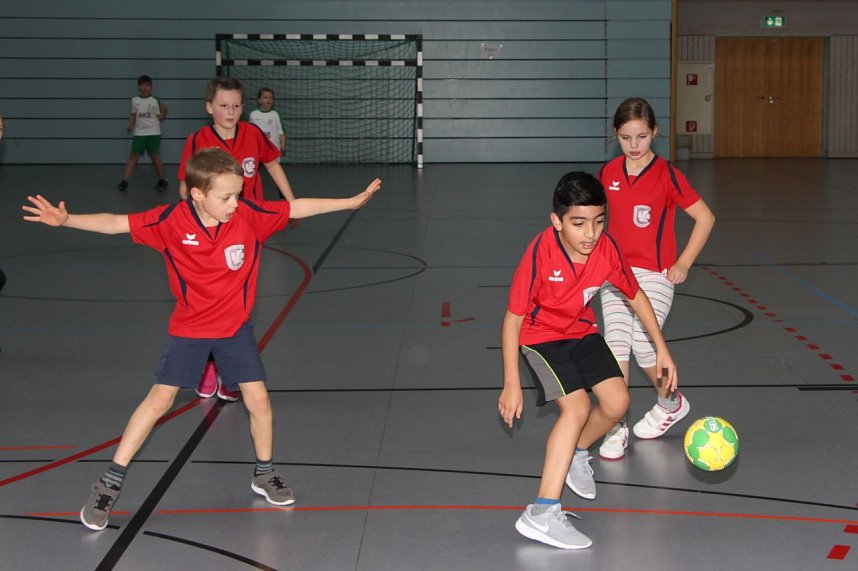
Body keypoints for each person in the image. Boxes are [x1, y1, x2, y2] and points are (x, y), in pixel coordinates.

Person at [21, 147, 381, 531]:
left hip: (234, 329)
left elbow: (294, 208)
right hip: (189, 329)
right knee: (159, 400)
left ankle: (264, 472)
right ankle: (109, 482)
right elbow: (115, 223)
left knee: (258, 399)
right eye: (226, 196)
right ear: (197, 194)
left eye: (238, 194)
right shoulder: (170, 221)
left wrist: (350, 202)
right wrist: (67, 219)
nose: (234, 203)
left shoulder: (247, 216)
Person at [498, 171, 677, 550]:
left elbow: (636, 296)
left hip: (581, 330)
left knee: (618, 402)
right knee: (576, 407)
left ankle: (578, 451)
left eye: (598, 222)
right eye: (578, 224)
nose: (590, 234)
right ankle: (542, 512)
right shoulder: (539, 254)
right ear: (557, 221)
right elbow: (512, 319)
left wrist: (661, 347)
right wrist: (511, 383)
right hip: (540, 337)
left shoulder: (607, 249)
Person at [596, 98, 715, 461]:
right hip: (615, 273)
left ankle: (670, 403)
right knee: (615, 342)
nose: (634, 145)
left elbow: (705, 218)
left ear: (655, 133)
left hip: (655, 274)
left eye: (642, 137)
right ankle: (616, 424)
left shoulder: (668, 176)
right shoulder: (607, 173)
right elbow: (597, 221)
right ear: (616, 135)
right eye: (626, 137)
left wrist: (684, 263)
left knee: (644, 345)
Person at [177, 77, 295, 203]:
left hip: (250, 215)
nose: (231, 112)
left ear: (242, 107)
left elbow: (272, 165)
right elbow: (185, 187)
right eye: (224, 105)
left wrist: (291, 202)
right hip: (215, 218)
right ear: (210, 107)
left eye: (236, 106)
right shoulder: (197, 140)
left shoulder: (253, 133)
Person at [118, 75, 169, 192]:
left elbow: (162, 113)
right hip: (140, 133)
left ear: (151, 87)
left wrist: (163, 113)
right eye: (143, 85)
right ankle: (124, 181)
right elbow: (133, 115)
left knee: (155, 157)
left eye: (148, 85)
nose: (145, 87)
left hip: (153, 133)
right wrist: (130, 124)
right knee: (133, 156)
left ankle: (163, 179)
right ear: (139, 87)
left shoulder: (155, 100)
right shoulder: (135, 100)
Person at [249, 87, 286, 159]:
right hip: (258, 150)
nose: (268, 100)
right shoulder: (253, 114)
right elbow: (250, 133)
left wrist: (283, 145)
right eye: (265, 97)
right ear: (259, 100)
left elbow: (281, 133)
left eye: (271, 98)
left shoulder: (275, 114)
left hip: (273, 150)